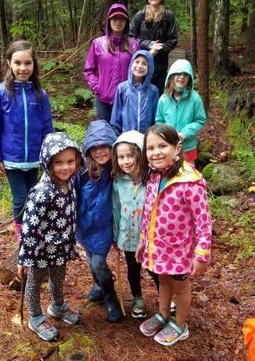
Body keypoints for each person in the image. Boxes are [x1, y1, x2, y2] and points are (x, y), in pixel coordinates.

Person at [136, 125, 212, 346]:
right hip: (157, 246)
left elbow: (203, 222)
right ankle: (163, 314)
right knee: (162, 279)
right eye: (150, 148)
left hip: (179, 250)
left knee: (180, 287)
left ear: (176, 149)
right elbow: (148, 211)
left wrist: (201, 254)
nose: (156, 152)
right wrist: (143, 241)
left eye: (162, 146)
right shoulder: (153, 175)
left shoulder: (190, 182)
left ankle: (180, 324)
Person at [17, 132, 83, 341]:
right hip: (40, 250)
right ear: (47, 163)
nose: (66, 167)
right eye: (58, 162)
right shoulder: (42, 191)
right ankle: (35, 317)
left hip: (60, 247)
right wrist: (25, 257)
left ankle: (57, 306)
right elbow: (29, 227)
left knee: (58, 277)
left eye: (70, 161)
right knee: (35, 281)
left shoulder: (69, 184)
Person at [0, 40, 53, 241]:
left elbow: (47, 127)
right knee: (19, 198)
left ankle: (33, 228)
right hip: (11, 158)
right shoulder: (0, 93)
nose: (23, 68)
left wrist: (49, 155)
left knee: (34, 196)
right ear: (9, 63)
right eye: (18, 63)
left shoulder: (40, 94)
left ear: (34, 65)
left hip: (34, 157)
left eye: (28, 63)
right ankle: (21, 234)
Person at [75, 120, 123, 323]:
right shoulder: (83, 171)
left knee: (99, 263)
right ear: (88, 150)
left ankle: (110, 296)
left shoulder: (116, 170)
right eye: (95, 148)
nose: (100, 152)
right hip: (85, 225)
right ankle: (99, 286)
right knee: (90, 260)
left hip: (104, 226)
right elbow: (73, 195)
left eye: (105, 147)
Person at [111, 130, 147, 318]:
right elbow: (116, 210)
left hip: (148, 237)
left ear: (141, 155)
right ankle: (137, 298)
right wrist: (116, 236)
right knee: (133, 268)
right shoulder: (118, 182)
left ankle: (167, 299)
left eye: (131, 155)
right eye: (121, 156)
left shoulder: (151, 181)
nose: (125, 161)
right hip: (128, 235)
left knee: (155, 270)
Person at [84, 3, 139, 122]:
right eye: (114, 18)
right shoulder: (98, 43)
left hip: (126, 99)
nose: (118, 22)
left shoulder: (133, 44)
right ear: (109, 21)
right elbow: (89, 69)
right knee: (104, 133)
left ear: (126, 22)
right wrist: (96, 87)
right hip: (103, 99)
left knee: (123, 136)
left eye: (121, 19)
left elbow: (138, 71)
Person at [129, 0, 177, 96]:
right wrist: (148, 44)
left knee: (157, 96)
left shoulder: (168, 16)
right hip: (141, 65)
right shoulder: (140, 15)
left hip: (160, 66)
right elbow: (131, 37)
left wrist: (158, 50)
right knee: (140, 97)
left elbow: (173, 40)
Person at [156, 59, 206, 164]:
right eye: (178, 74)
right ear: (171, 76)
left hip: (188, 146)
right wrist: (164, 134)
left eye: (185, 75)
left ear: (190, 79)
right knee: (170, 173)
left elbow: (200, 120)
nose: (182, 77)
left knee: (188, 173)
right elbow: (159, 121)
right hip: (169, 146)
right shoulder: (163, 99)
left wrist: (185, 133)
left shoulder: (195, 99)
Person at [110, 50, 159, 136]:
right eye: (137, 62)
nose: (139, 66)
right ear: (131, 64)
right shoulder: (122, 88)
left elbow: (156, 117)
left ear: (150, 68)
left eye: (144, 64)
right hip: (127, 137)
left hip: (146, 138)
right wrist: (117, 136)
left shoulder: (153, 90)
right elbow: (116, 116)